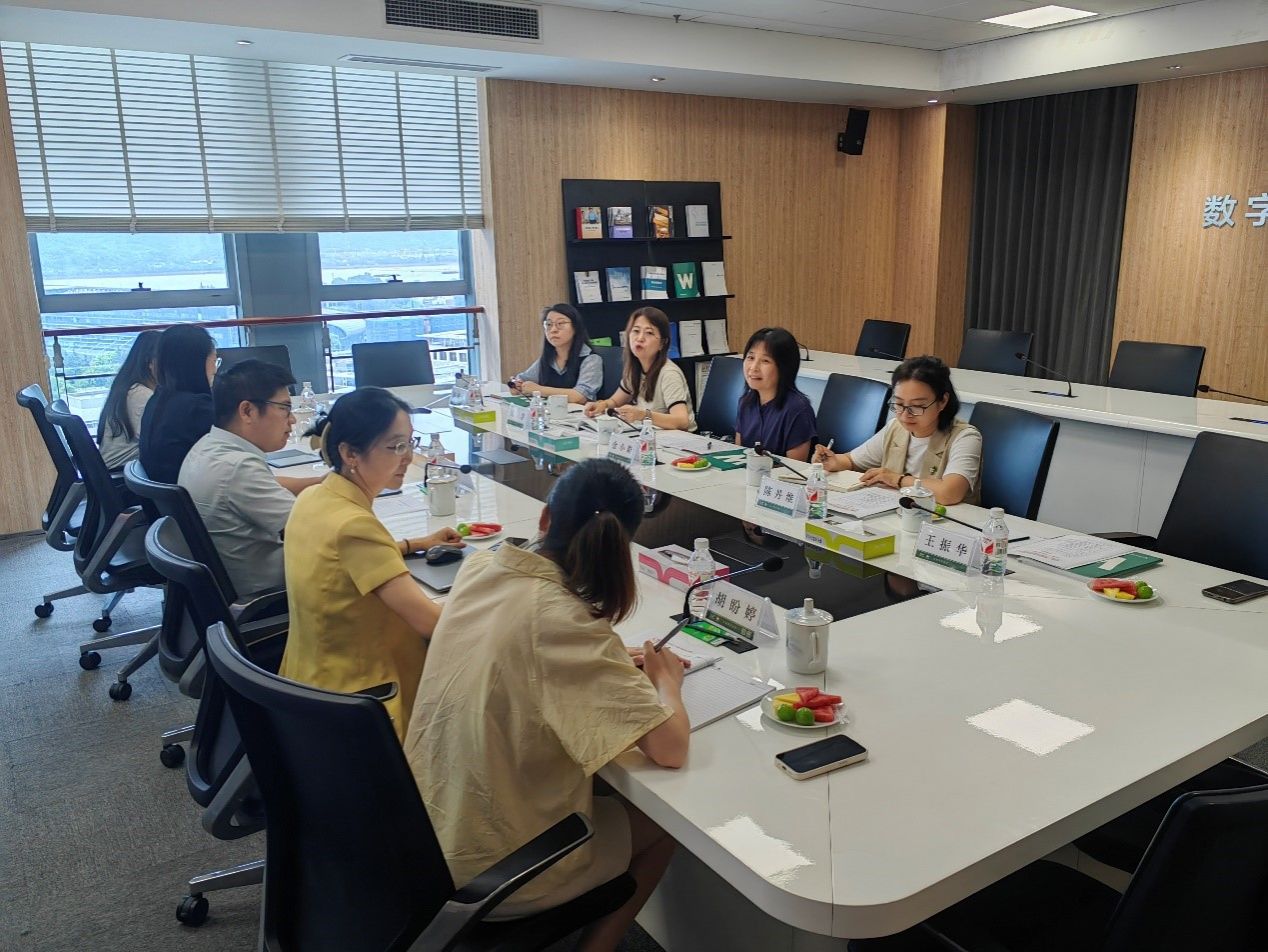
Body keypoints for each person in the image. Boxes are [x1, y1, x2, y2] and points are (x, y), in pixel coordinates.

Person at [404, 459, 689, 949]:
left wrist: (604, 657)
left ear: (544, 518)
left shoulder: (481, 567)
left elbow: (520, 644)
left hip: (422, 836)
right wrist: (669, 683)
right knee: (666, 826)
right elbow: (670, 749)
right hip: (497, 872)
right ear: (620, 546)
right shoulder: (567, 622)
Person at [279, 387, 462, 741]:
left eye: (410, 443)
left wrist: (415, 544)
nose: (408, 457)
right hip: (364, 702)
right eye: (395, 446)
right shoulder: (355, 526)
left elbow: (339, 558)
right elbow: (430, 623)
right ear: (350, 453)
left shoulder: (314, 497)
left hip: (308, 684)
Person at [178, 359, 325, 597]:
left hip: (235, 581)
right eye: (284, 408)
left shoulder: (208, 446)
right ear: (247, 411)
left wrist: (322, 483)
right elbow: (316, 530)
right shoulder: (238, 468)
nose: (292, 420)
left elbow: (270, 486)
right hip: (273, 594)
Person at [813, 355, 981, 505]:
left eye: (917, 406)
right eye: (899, 404)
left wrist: (897, 479)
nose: (905, 415)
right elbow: (852, 460)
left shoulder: (965, 437)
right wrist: (833, 462)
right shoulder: (896, 427)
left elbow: (949, 493)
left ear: (943, 401)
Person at [583, 307, 696, 431]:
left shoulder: (669, 373)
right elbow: (615, 401)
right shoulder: (634, 368)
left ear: (662, 343)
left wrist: (643, 415)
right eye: (636, 331)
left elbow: (682, 421)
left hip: (678, 438)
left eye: (649, 333)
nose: (640, 338)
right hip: (650, 434)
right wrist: (602, 405)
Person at [139, 324, 217, 484]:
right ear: (198, 363)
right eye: (214, 361)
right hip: (193, 493)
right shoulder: (198, 408)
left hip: (165, 495)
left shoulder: (158, 398)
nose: (215, 370)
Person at [734, 327, 816, 461]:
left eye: (765, 361)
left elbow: (795, 468)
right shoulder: (745, 402)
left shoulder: (797, 410)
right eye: (751, 357)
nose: (753, 367)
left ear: (784, 367)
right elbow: (739, 455)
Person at [509, 303, 602, 404]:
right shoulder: (548, 358)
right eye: (548, 325)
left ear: (575, 327)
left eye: (560, 324)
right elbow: (523, 379)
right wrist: (516, 385)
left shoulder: (591, 359)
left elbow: (579, 397)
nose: (553, 330)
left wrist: (538, 390)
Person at [97, 330, 160, 470]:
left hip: (120, 470)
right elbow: (157, 442)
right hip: (122, 474)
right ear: (150, 362)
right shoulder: (140, 395)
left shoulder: (129, 387)